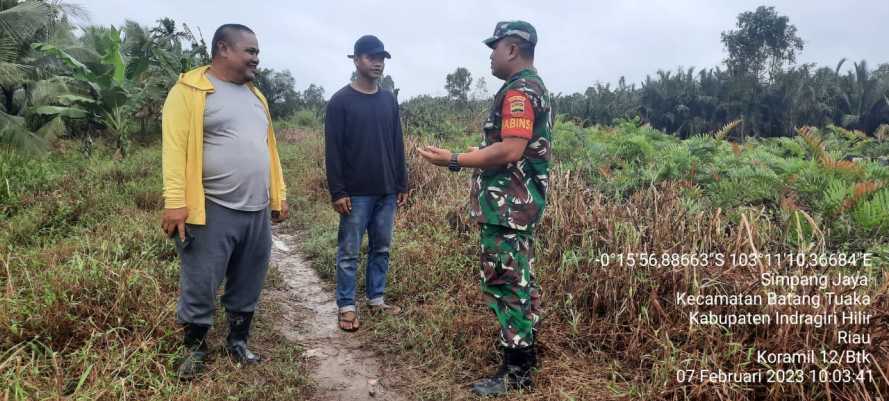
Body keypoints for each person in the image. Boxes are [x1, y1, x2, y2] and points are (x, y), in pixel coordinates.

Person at [416, 21, 551, 396]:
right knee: (519, 281)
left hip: (508, 208)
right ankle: (523, 359)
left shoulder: (520, 92)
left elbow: (510, 149)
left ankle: (517, 374)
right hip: (513, 207)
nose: (490, 55)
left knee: (507, 284)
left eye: (495, 47)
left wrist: (455, 159)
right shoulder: (525, 89)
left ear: (512, 48)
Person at [160, 23, 289, 380]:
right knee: (201, 279)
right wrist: (175, 202)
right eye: (250, 51)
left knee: (249, 277)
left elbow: (269, 150)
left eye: (257, 53)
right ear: (223, 49)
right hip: (211, 208)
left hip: (256, 208)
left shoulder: (255, 96)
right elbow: (173, 150)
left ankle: (237, 340)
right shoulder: (188, 91)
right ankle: (195, 346)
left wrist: (278, 196)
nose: (256, 59)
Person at [324, 35, 409, 332]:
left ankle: (376, 299)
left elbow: (397, 143)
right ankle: (346, 307)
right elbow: (332, 151)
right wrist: (338, 191)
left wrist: (402, 183)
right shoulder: (340, 102)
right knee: (348, 251)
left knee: (381, 248)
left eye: (381, 58)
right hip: (355, 194)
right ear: (356, 60)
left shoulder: (388, 99)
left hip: (386, 190)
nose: (378, 63)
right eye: (372, 57)